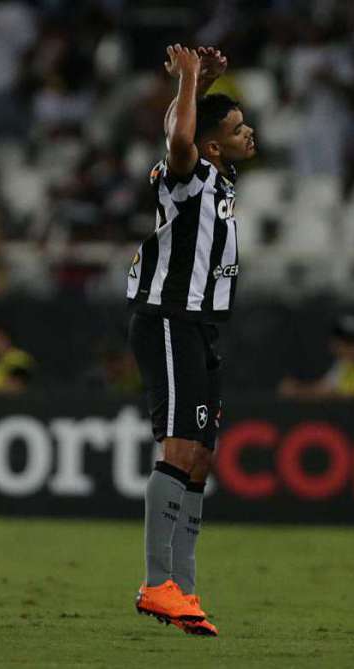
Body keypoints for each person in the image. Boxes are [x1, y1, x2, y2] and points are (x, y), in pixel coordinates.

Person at [126, 44, 251, 638]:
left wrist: (200, 87)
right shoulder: (189, 175)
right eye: (236, 128)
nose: (248, 133)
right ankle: (156, 583)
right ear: (212, 144)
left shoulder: (219, 179)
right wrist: (190, 81)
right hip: (170, 316)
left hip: (200, 324)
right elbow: (180, 140)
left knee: (201, 457)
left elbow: (192, 129)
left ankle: (186, 587)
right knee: (178, 448)